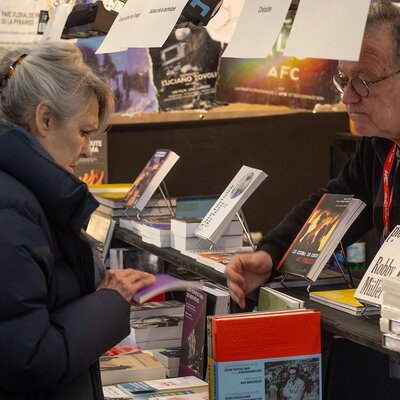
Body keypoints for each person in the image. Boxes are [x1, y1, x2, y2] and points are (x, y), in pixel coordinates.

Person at [225, 2, 400, 398]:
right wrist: (270, 254)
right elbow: (335, 202)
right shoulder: (379, 145)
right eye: (344, 80)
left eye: (365, 81)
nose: (348, 98)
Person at [0, 42, 156, 399]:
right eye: (84, 132)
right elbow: (28, 361)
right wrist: (111, 300)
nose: (87, 149)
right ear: (45, 119)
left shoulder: (25, 196)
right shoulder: (13, 211)